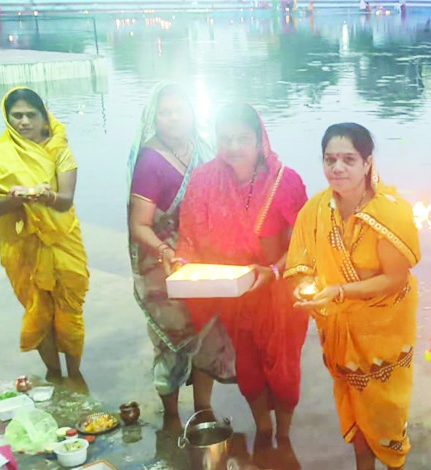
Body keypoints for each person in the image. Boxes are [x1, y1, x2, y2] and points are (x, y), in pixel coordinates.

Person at [287, 123, 420, 470]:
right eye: (330, 160)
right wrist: (305, 288)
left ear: (367, 163)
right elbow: (300, 264)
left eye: (348, 159)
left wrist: (340, 291)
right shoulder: (315, 211)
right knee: (352, 404)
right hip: (339, 327)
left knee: (387, 413)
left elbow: (394, 278)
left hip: (384, 329)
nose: (338, 168)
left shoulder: (389, 213)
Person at [177, 103, 309, 442]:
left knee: (282, 372)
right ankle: (264, 430)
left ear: (259, 139)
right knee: (249, 372)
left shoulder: (285, 181)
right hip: (235, 293)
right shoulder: (206, 179)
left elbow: (306, 244)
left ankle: (286, 435)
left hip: (279, 293)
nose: (234, 147)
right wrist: (180, 266)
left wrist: (273, 271)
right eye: (226, 139)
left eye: (242, 138)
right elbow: (190, 235)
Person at [128, 83, 233, 432]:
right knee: (171, 342)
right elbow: (139, 225)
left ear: (192, 113)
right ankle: (172, 419)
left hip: (203, 261)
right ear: (154, 117)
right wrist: (165, 252)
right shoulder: (150, 160)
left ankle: (203, 411)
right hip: (166, 266)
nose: (173, 118)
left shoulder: (202, 150)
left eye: (180, 110)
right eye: (165, 112)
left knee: (209, 335)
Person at [0, 87, 89, 384]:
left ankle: (74, 375)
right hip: (23, 244)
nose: (24, 121)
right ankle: (54, 376)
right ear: (7, 118)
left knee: (69, 308)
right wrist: (18, 198)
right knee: (39, 308)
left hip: (62, 237)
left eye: (30, 115)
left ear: (43, 117)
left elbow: (65, 200)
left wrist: (45, 196)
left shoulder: (59, 148)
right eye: (17, 115)